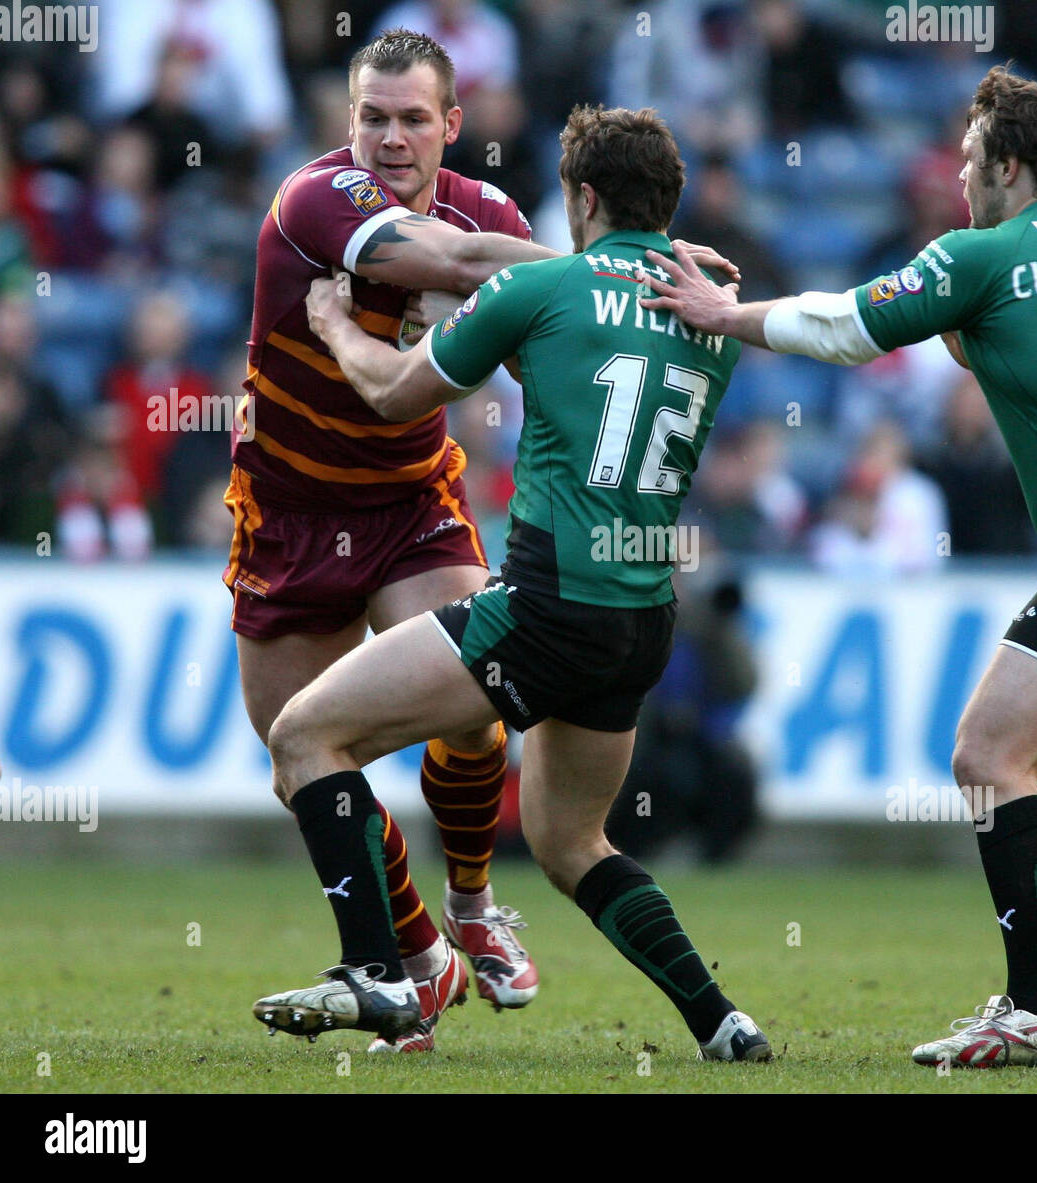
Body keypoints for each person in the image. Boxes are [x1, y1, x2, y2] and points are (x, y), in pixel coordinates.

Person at [639, 64, 1037, 1068]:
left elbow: (851, 328)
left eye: (973, 160)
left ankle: (1036, 1010)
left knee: (989, 759)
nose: (959, 176)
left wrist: (723, 315)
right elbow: (1036, 353)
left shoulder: (984, 254)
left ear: (1012, 166)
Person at [252, 104, 771, 1062]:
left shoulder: (545, 294)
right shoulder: (712, 324)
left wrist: (330, 322)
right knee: (575, 844)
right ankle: (721, 1021)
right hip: (643, 618)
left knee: (305, 739)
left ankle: (375, 971)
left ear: (580, 198)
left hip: (543, 607)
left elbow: (396, 390)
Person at [227, 28, 558, 1054]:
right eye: (373, 115)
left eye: (414, 117)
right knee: (303, 766)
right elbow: (456, 264)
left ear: (452, 126)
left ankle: (471, 903)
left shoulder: (492, 211)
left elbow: (545, 351)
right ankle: (417, 956)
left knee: (476, 705)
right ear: (349, 121)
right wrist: (601, 270)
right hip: (286, 515)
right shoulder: (317, 199)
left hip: (411, 506)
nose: (390, 136)